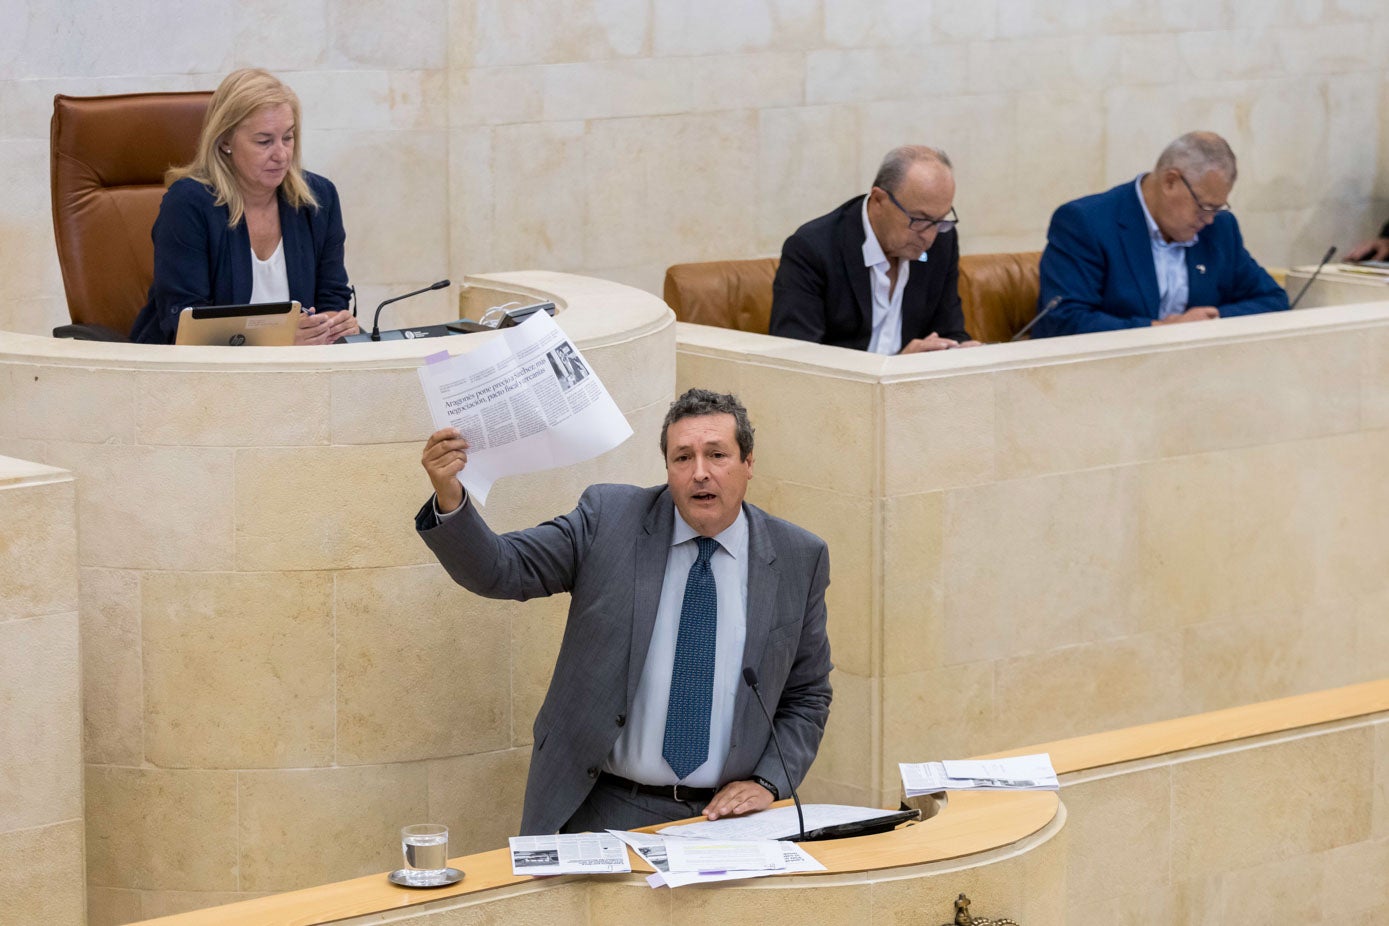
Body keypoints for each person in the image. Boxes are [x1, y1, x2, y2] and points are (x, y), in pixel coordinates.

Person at [417, 388, 833, 835]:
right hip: (601, 810)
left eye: (717, 455)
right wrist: (449, 495)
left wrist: (768, 780)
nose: (700, 474)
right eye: (682, 458)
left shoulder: (797, 557)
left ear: (749, 463)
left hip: (722, 821)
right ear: (667, 468)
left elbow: (807, 697)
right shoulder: (609, 520)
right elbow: (501, 569)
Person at [128, 68, 359, 345]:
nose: (282, 155)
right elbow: (186, 322)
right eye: (264, 141)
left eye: (288, 137)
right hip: (202, 375)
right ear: (225, 140)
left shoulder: (319, 198)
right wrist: (279, 339)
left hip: (299, 370)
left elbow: (331, 294)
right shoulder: (188, 204)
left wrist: (330, 324)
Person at [1032, 131, 1287, 338]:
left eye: (1217, 208)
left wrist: (1212, 320)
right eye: (1204, 207)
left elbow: (1273, 299)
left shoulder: (1220, 229)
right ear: (1170, 182)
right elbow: (1064, 320)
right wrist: (1160, 330)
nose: (1209, 219)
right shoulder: (1085, 222)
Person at [770, 145, 980, 353]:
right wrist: (897, 367)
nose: (930, 236)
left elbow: (949, 330)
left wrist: (958, 350)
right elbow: (798, 359)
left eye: (941, 220)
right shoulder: (812, 249)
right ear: (879, 200)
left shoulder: (943, 241)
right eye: (920, 219)